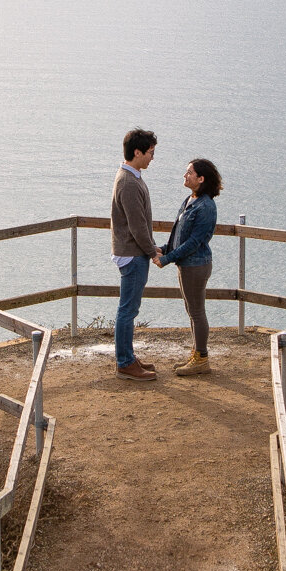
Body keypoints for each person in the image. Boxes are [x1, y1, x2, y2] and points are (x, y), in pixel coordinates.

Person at [156, 157, 222, 376]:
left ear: (201, 179)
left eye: (189, 172)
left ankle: (201, 359)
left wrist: (166, 259)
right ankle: (197, 354)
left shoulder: (206, 207)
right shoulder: (190, 200)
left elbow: (194, 242)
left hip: (196, 265)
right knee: (191, 311)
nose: (185, 175)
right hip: (186, 264)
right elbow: (179, 235)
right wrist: (165, 249)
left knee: (196, 312)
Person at [109, 128, 158, 381]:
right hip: (133, 253)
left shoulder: (132, 177)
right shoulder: (128, 182)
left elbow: (139, 224)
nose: (152, 157)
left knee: (129, 308)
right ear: (137, 152)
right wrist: (153, 252)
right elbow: (137, 225)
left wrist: (151, 247)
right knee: (128, 309)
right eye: (150, 152)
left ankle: (127, 356)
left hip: (134, 250)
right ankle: (125, 362)